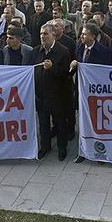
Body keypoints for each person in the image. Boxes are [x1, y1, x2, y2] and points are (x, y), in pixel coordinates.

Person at [33, 22, 73, 161]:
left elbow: (66, 74)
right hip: (41, 95)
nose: (42, 37)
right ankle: (45, 146)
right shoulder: (36, 50)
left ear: (53, 34)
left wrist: (52, 68)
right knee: (43, 123)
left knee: (60, 123)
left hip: (58, 95)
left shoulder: (63, 51)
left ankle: (62, 148)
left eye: (45, 34)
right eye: (41, 34)